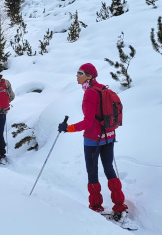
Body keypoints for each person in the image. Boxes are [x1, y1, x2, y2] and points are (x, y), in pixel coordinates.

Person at [58, 63, 128, 220]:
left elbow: (88, 122)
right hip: (109, 135)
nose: (77, 76)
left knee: (92, 171)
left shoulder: (90, 93)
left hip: (93, 139)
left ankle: (96, 207)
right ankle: (119, 204)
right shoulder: (103, 88)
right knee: (109, 168)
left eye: (80, 73)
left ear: (89, 76)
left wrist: (67, 128)